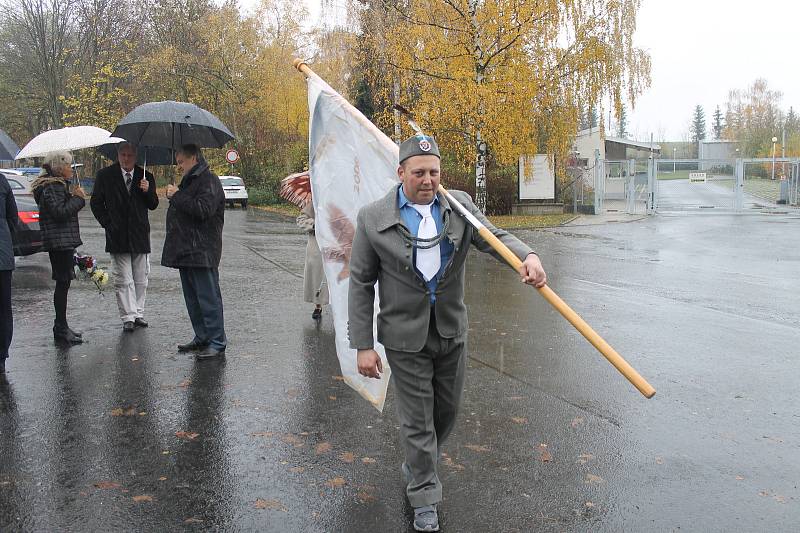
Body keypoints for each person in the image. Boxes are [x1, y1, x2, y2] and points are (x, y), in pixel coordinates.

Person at [348, 134, 547, 532]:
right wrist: (363, 346)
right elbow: (360, 282)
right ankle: (424, 496)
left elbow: (494, 238)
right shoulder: (373, 217)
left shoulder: (458, 207)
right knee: (418, 420)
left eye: (434, 172)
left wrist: (528, 255)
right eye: (419, 172)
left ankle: (417, 461)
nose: (428, 180)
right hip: (404, 336)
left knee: (446, 412)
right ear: (401, 171)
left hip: (451, 329)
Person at [162, 144, 227, 360]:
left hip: (202, 251)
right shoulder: (190, 180)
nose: (179, 166)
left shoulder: (209, 180)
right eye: (178, 162)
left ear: (194, 158)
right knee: (192, 299)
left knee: (208, 299)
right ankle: (202, 337)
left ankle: (217, 341)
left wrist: (177, 196)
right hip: (186, 251)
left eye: (181, 162)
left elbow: (203, 210)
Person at [90, 143, 159, 332]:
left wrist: (147, 191)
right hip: (117, 234)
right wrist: (108, 223)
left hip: (139, 234)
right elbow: (96, 203)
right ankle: (127, 316)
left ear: (136, 156)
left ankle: (138, 313)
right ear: (118, 155)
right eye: (123, 154)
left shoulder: (146, 176)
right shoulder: (105, 176)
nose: (126, 158)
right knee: (123, 278)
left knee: (140, 278)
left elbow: (153, 204)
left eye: (129, 155)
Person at [31, 151, 86, 344]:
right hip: (59, 242)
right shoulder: (53, 186)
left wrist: (71, 195)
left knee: (64, 283)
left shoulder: (55, 185)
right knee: (63, 283)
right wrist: (78, 199)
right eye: (69, 165)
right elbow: (60, 213)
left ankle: (62, 325)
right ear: (59, 167)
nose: (71, 169)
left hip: (61, 241)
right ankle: (60, 328)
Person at [296, 198, 329, 320]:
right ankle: (318, 305)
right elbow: (300, 220)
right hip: (317, 246)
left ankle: (339, 306)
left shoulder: (341, 199)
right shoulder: (314, 202)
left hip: (336, 245)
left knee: (338, 277)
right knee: (317, 276)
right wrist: (315, 224)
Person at [1, 173, 18, 372]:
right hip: (3, 255)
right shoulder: (3, 181)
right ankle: (2, 356)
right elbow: (13, 218)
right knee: (4, 308)